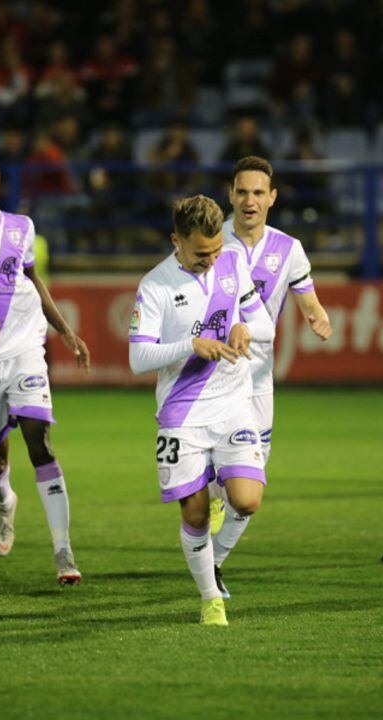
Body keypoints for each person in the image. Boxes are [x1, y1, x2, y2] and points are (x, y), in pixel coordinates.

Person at [128, 195, 274, 626]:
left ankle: (214, 484)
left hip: (232, 404)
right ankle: (211, 598)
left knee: (246, 502)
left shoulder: (231, 262)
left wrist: (246, 325)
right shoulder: (155, 285)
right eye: (199, 254)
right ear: (176, 241)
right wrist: (191, 345)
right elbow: (139, 359)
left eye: (215, 250)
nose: (210, 260)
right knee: (193, 514)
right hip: (182, 413)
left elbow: (263, 323)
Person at [0, 151, 90, 585]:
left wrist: (64, 330)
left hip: (27, 349)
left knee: (40, 442)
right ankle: (5, 500)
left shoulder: (22, 227)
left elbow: (32, 280)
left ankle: (64, 552)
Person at [213, 156, 331, 598]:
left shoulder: (289, 248)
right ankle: (207, 499)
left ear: (273, 198)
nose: (249, 201)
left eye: (258, 193)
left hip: (259, 379)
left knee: (253, 481)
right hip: (213, 375)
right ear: (231, 194)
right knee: (218, 482)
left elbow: (308, 300)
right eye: (242, 192)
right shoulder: (211, 238)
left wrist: (319, 317)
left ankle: (214, 560)